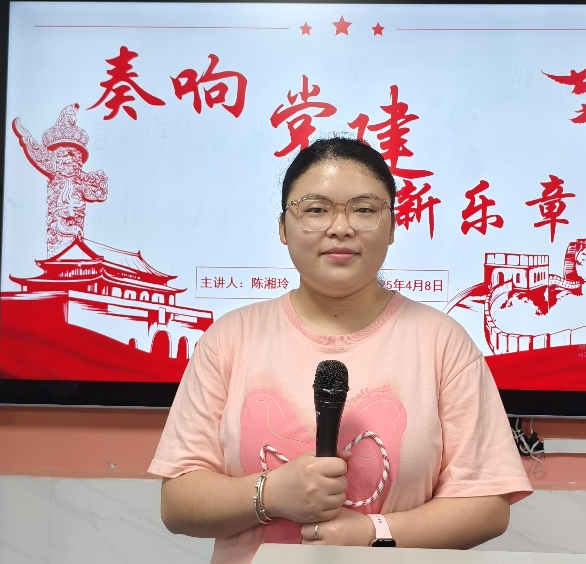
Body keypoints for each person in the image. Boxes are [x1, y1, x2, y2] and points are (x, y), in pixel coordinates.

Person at [150, 136, 531, 562]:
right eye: (316, 209)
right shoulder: (230, 338)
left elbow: (487, 506)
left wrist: (373, 533)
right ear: (283, 227)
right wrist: (270, 493)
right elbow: (177, 503)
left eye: (364, 209)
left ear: (392, 227)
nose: (341, 227)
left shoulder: (442, 342)